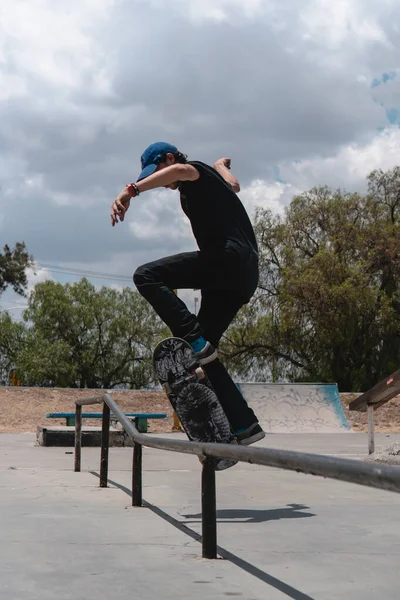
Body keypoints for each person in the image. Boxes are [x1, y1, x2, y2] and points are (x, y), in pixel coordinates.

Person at [110, 141, 265, 445]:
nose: (162, 180)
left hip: (228, 259)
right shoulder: (210, 178)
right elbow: (233, 186)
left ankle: (192, 336)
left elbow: (182, 170)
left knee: (147, 275)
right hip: (242, 276)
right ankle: (244, 425)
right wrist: (221, 166)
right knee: (201, 358)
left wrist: (130, 190)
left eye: (159, 172)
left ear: (169, 158)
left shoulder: (193, 171)